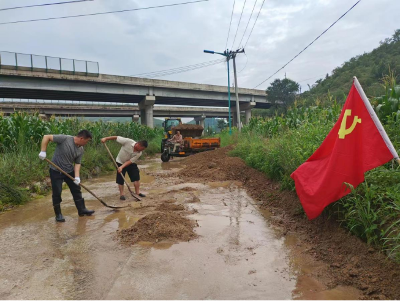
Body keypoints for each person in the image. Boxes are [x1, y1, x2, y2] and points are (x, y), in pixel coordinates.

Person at [39, 130, 95, 222]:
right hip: (56, 170)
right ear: (81, 138)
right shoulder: (65, 139)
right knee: (57, 192)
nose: (86, 143)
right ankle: (58, 214)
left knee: (76, 190)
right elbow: (46, 137)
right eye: (87, 141)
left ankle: (82, 210)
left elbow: (77, 163)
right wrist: (43, 151)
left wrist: (77, 177)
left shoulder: (80, 149)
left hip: (69, 171)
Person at [101, 136, 147, 200]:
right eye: (141, 149)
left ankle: (137, 193)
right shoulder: (128, 141)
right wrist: (106, 138)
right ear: (138, 144)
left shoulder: (139, 153)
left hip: (130, 163)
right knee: (120, 178)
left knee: (136, 177)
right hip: (120, 162)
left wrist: (122, 167)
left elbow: (130, 161)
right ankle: (122, 194)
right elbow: (116, 137)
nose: (141, 151)